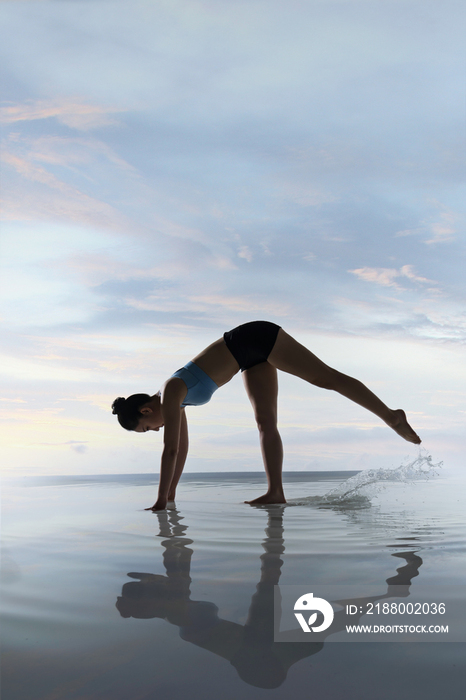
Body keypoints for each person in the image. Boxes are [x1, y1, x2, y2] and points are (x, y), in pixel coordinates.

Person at [112, 321, 421, 510]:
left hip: (253, 338)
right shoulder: (175, 403)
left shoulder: (172, 389)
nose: (153, 431)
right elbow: (183, 449)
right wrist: (172, 491)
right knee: (265, 422)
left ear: (146, 411)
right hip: (249, 361)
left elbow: (171, 448)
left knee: (325, 378)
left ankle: (391, 416)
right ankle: (276, 492)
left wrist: (160, 499)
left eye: (146, 429)